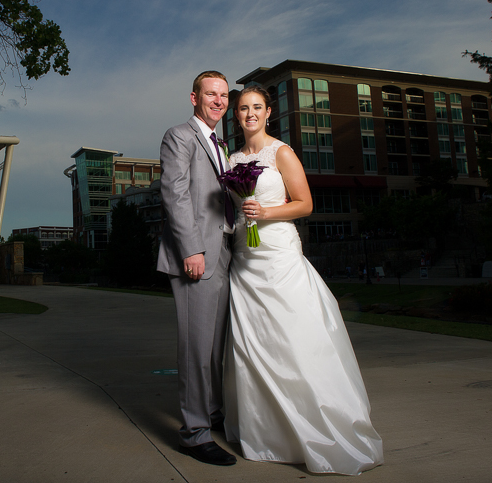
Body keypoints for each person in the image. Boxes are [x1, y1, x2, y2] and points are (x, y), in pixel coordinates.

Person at [222, 85, 383, 475]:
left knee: (294, 339)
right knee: (252, 346)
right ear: (236, 115)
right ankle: (266, 432)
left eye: (256, 107)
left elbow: (305, 204)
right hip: (245, 262)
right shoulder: (231, 158)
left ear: (269, 112)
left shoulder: (282, 152)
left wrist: (266, 212)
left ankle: (316, 427)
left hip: (279, 258)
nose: (249, 114)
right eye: (243, 108)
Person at [157, 70, 236, 466]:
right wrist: (191, 249)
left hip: (222, 254)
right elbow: (175, 194)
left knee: (214, 349)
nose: (219, 101)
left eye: (223, 95)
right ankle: (194, 433)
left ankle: (213, 416)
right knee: (195, 349)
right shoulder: (179, 136)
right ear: (194, 98)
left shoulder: (220, 143)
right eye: (211, 94)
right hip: (196, 256)